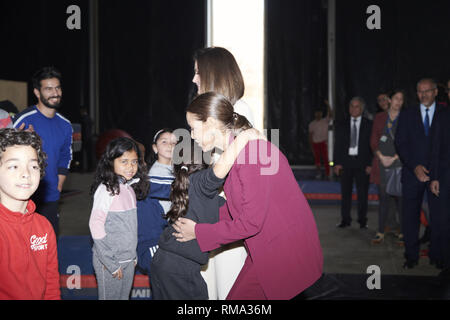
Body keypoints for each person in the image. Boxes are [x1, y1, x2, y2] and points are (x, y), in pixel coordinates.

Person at [172, 92, 323, 300]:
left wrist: (199, 232)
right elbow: (237, 208)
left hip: (281, 249)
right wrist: (198, 220)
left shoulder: (252, 155)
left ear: (212, 123)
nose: (192, 135)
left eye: (193, 127)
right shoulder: (242, 151)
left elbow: (250, 222)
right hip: (267, 247)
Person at [150, 130, 264, 300]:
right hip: (179, 268)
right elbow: (217, 173)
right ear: (208, 159)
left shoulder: (187, 186)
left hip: (166, 263)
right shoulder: (198, 182)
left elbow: (231, 211)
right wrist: (243, 139)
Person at [192, 46, 253, 299]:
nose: (194, 79)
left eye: (198, 72)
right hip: (212, 213)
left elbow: (232, 173)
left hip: (228, 218)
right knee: (210, 288)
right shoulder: (212, 114)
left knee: (229, 289)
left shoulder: (240, 112)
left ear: (213, 74)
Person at [0, 129, 60, 300]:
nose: (26, 173)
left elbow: (51, 285)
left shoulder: (44, 227)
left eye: (33, 166)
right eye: (14, 166)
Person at [13, 66, 73, 237]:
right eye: (48, 89)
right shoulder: (23, 120)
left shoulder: (65, 124)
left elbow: (65, 156)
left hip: (50, 197)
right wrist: (22, 142)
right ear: (37, 93)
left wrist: (59, 184)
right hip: (22, 195)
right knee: (21, 245)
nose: (55, 93)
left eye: (57, 88)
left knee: (48, 243)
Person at [89, 137, 149, 300]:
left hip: (128, 259)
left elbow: (128, 228)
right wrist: (110, 263)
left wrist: (133, 256)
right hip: (110, 262)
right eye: (124, 161)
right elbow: (96, 225)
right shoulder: (106, 189)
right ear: (111, 162)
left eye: (134, 162)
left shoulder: (129, 189)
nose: (130, 167)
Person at [395, 78, 444, 269]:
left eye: (428, 91)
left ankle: (438, 254)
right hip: (412, 174)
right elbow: (400, 143)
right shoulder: (407, 115)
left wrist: (437, 172)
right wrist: (414, 166)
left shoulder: (445, 113)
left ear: (435, 92)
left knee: (439, 217)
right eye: (420, 92)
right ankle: (411, 256)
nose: (424, 95)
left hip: (438, 175)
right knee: (409, 217)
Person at [136, 129, 176, 276]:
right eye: (164, 142)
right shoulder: (155, 173)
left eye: (174, 142)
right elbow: (170, 191)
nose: (169, 145)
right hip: (160, 233)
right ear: (155, 148)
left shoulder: (176, 169)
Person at [370, 90, 405, 244]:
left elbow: (409, 142)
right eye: (396, 98)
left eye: (401, 100)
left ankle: (404, 232)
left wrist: (396, 158)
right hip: (382, 164)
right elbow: (373, 141)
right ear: (389, 100)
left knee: (401, 200)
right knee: (383, 199)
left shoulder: (406, 118)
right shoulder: (379, 117)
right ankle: (380, 231)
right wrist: (382, 157)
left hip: (400, 164)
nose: (398, 102)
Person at [333, 97, 373, 229]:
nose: (353, 109)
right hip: (345, 163)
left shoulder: (369, 124)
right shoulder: (341, 124)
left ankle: (362, 220)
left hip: (362, 164)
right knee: (345, 194)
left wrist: (370, 164)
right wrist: (337, 163)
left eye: (356, 106)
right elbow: (337, 145)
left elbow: (372, 146)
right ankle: (345, 219)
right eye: (351, 106)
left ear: (361, 109)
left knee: (362, 194)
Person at [193, 46, 255, 127]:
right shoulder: (205, 109)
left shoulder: (239, 110)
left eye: (198, 73)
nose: (194, 79)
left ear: (215, 77)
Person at [430, 107, 450, 277]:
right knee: (444, 221)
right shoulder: (443, 116)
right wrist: (434, 177)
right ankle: (446, 262)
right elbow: (435, 147)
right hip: (445, 177)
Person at [309, 100, 332, 179]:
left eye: (320, 113)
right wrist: (311, 146)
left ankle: (328, 174)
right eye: (317, 113)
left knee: (326, 159)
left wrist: (328, 105)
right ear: (315, 114)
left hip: (323, 143)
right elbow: (310, 136)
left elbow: (331, 114)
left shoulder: (325, 121)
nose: (318, 114)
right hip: (315, 144)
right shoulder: (312, 124)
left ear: (322, 114)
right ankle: (318, 173)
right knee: (317, 160)